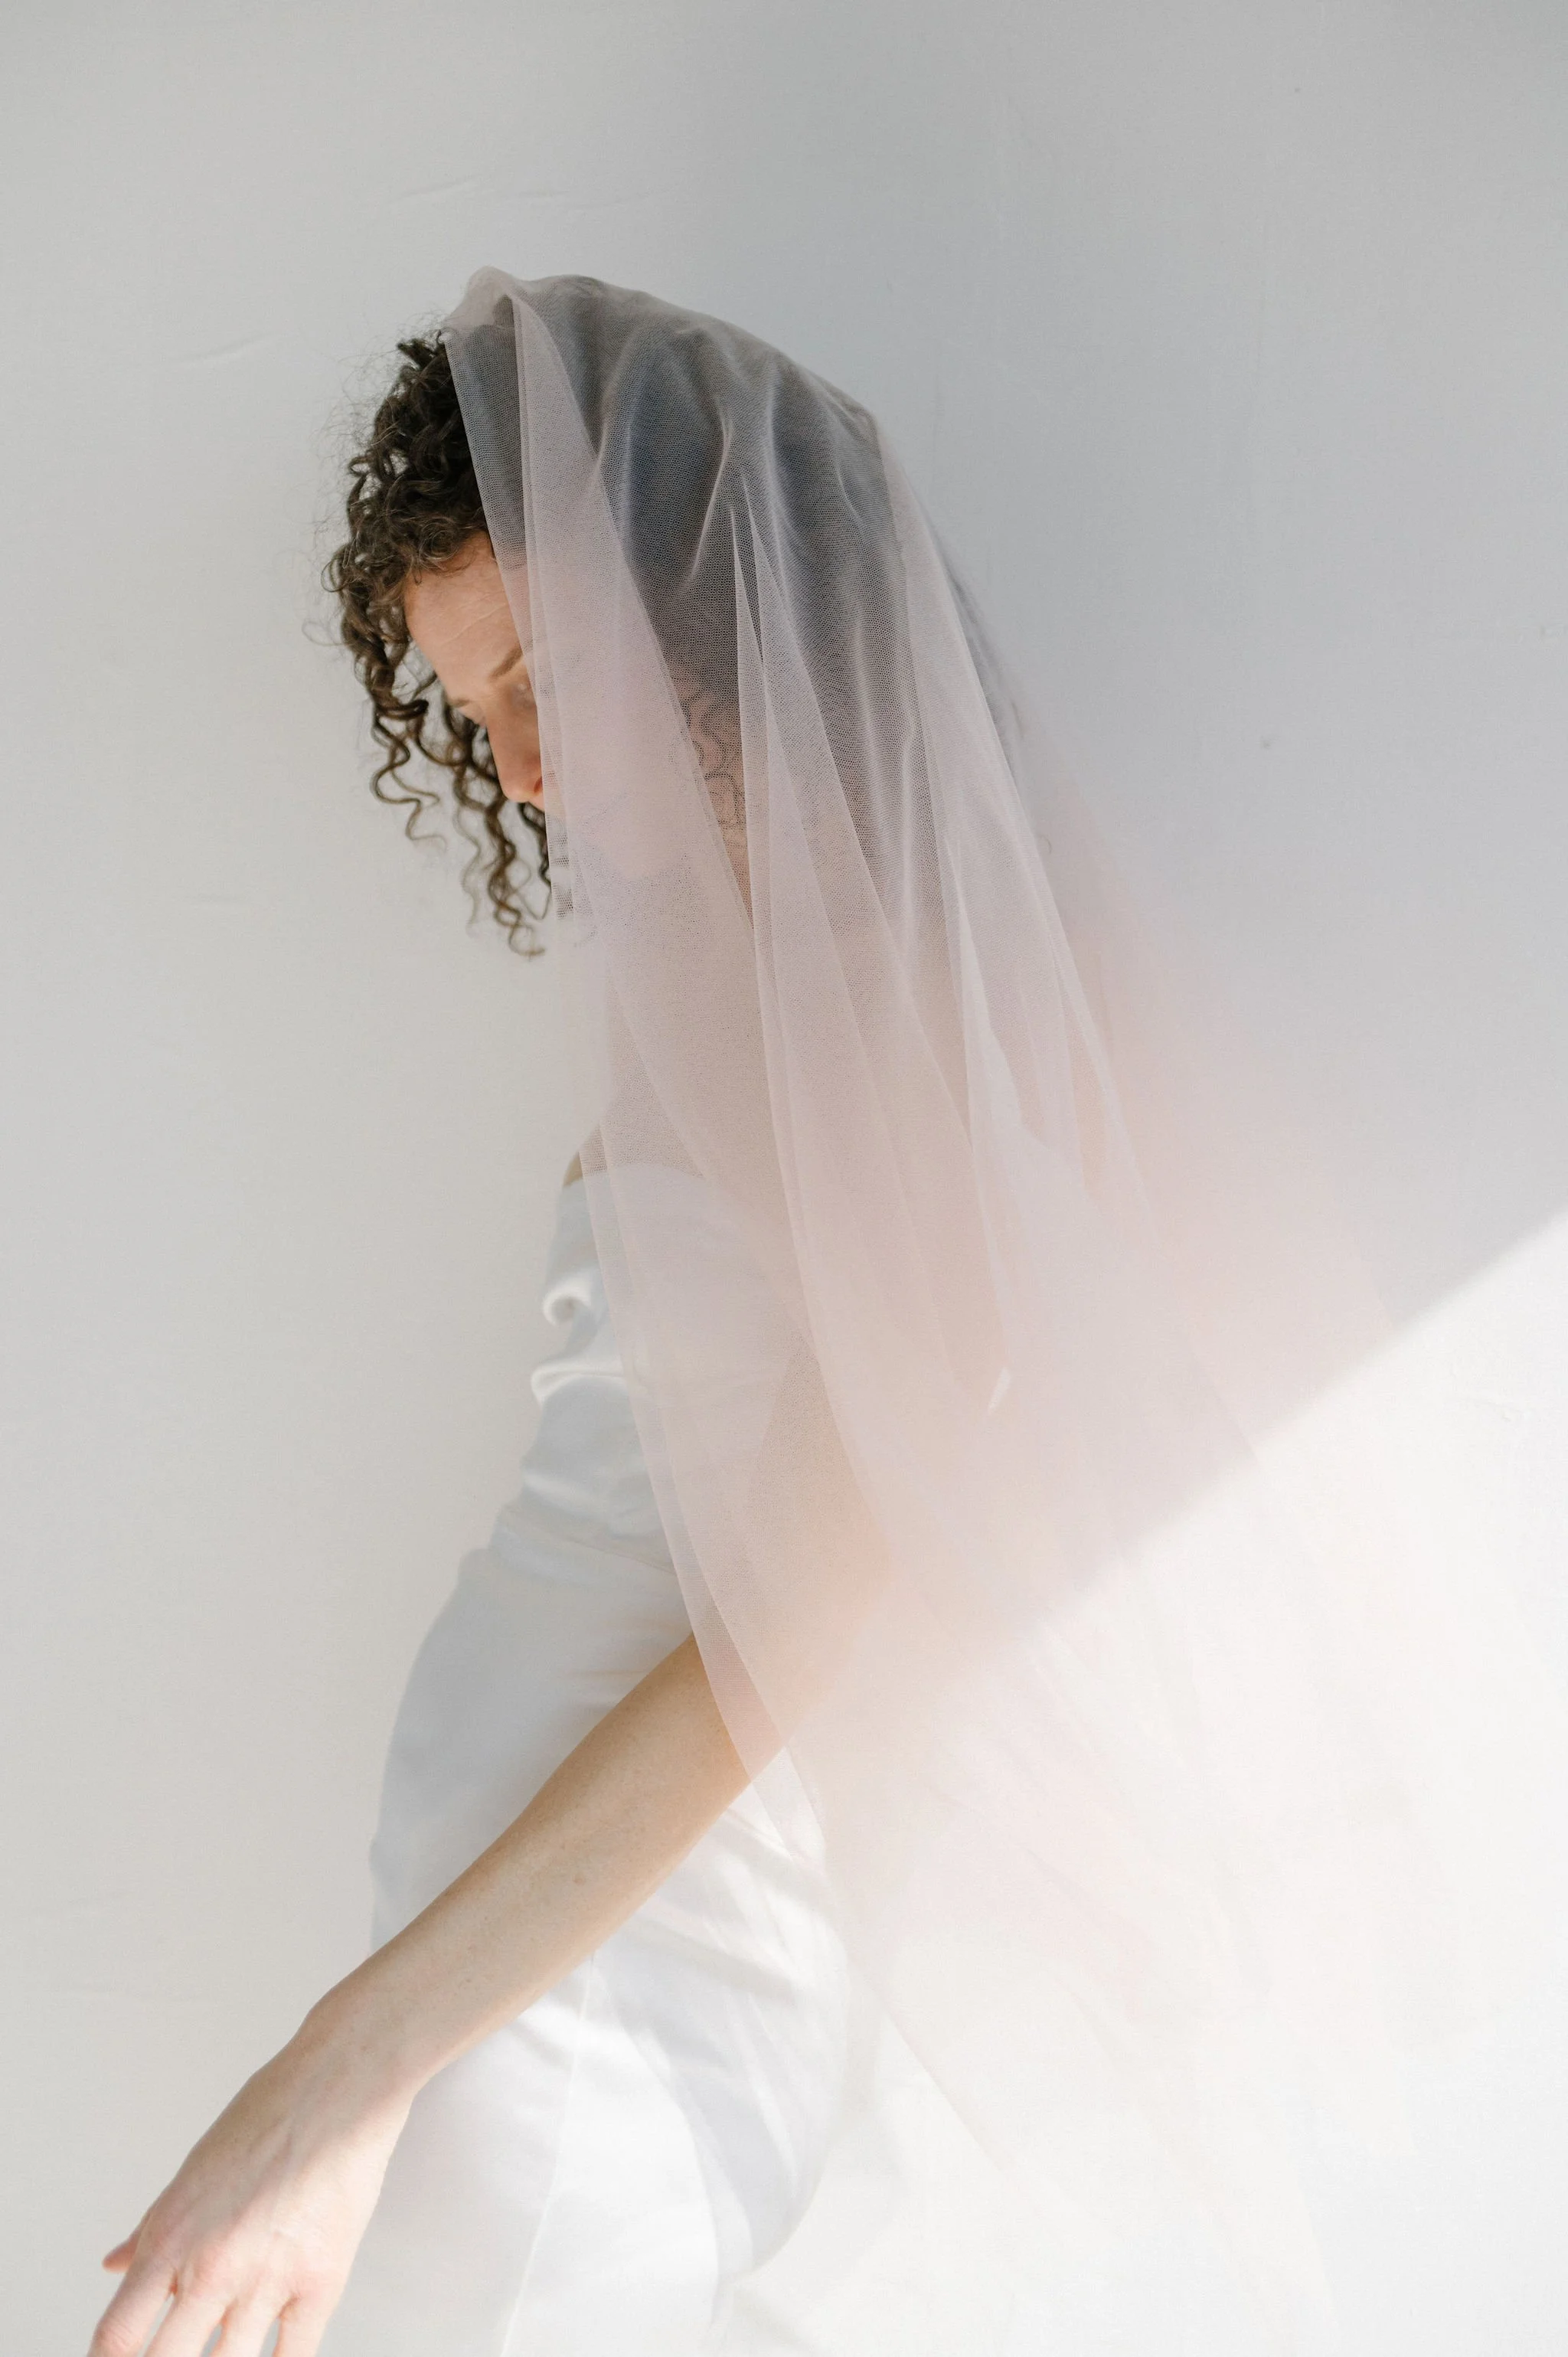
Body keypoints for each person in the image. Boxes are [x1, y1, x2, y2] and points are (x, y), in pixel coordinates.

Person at [89, 273, 1568, 2357]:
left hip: (584, 2013)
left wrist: (337, 2075)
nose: (510, 768)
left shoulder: (893, 1021)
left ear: (697, 591)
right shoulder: (764, 987)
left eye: (534, 675)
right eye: (470, 709)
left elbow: (786, 1641)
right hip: (521, 1989)